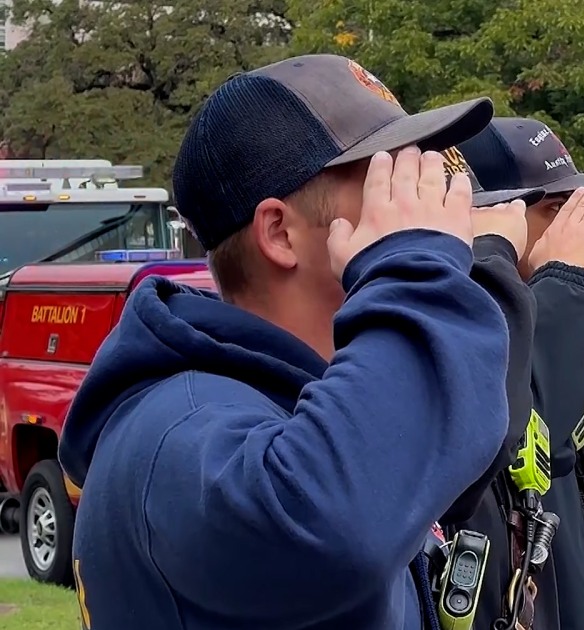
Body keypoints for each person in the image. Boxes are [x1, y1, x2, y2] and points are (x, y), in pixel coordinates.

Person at [57, 54, 537, 630]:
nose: (428, 196)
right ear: (280, 233)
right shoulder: (179, 432)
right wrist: (415, 263)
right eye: (386, 178)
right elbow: (338, 528)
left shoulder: (293, 404)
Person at [458, 118, 584, 630]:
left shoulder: (562, 308)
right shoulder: (472, 327)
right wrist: (563, 282)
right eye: (555, 210)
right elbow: (537, 442)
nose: (578, 228)